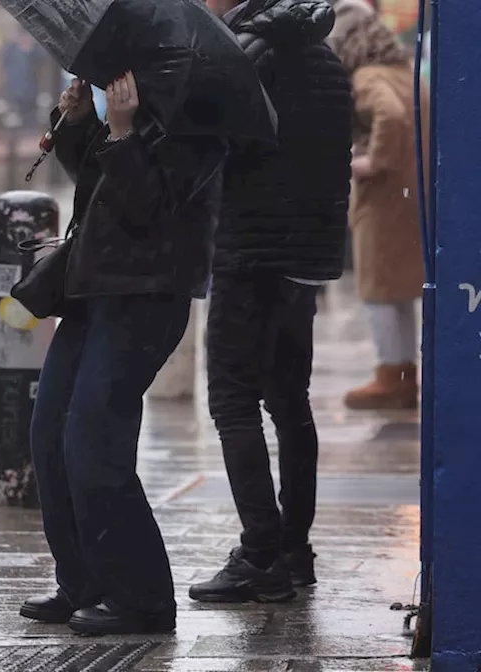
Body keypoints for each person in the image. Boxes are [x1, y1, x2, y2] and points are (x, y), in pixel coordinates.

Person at [19, 74, 226, 635]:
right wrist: (83, 122)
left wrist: (124, 131)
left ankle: (143, 598)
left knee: (94, 437)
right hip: (93, 285)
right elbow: (97, 186)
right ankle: (82, 580)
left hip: (146, 293)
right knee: (50, 428)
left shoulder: (197, 99)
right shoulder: (129, 91)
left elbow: (150, 207)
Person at [190, 0, 353, 604]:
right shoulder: (328, 61)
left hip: (249, 251)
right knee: (289, 399)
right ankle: (293, 548)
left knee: (232, 400)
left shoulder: (246, 55)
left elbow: (219, 149)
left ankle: (259, 552)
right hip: (305, 256)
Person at [329, 2, 426, 410]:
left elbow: (391, 116)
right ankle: (404, 373)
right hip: (410, 195)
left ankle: (391, 374)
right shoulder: (406, 70)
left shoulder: (368, 78)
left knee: (376, 292)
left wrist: (371, 161)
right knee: (400, 292)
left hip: (383, 199)